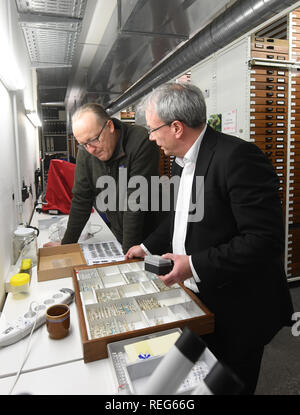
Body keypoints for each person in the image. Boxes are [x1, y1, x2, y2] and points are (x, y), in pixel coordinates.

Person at [125, 82, 294, 394]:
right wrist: (146, 247)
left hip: (241, 308)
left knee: (230, 386)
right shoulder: (182, 161)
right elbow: (180, 219)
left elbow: (262, 241)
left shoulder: (238, 158)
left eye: (152, 129)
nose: (150, 137)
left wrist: (193, 264)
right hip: (201, 299)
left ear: (176, 127)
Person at [44, 103, 163, 253]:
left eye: (94, 140)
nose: (91, 149)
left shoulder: (141, 141)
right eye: (83, 144)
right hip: (121, 235)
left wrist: (128, 257)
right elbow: (81, 199)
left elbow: (135, 204)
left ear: (110, 126)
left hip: (150, 238)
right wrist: (66, 245)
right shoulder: (86, 151)